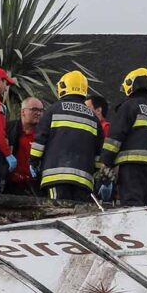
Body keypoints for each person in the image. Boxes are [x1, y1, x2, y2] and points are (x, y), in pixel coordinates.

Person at [30, 70, 105, 202]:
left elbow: (40, 140)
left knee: (58, 212)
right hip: (83, 180)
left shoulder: (53, 110)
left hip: (55, 176)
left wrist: (33, 162)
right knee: (78, 217)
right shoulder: (93, 118)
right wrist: (96, 173)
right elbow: (99, 154)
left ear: (63, 87)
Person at [101, 68, 147, 207]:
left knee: (133, 203)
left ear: (131, 85)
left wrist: (105, 161)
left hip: (133, 165)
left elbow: (115, 137)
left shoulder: (128, 106)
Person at [5, 96, 44, 195]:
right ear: (23, 112)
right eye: (34, 109)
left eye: (41, 110)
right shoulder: (9, 130)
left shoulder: (43, 135)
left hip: (35, 186)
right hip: (11, 185)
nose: (38, 113)